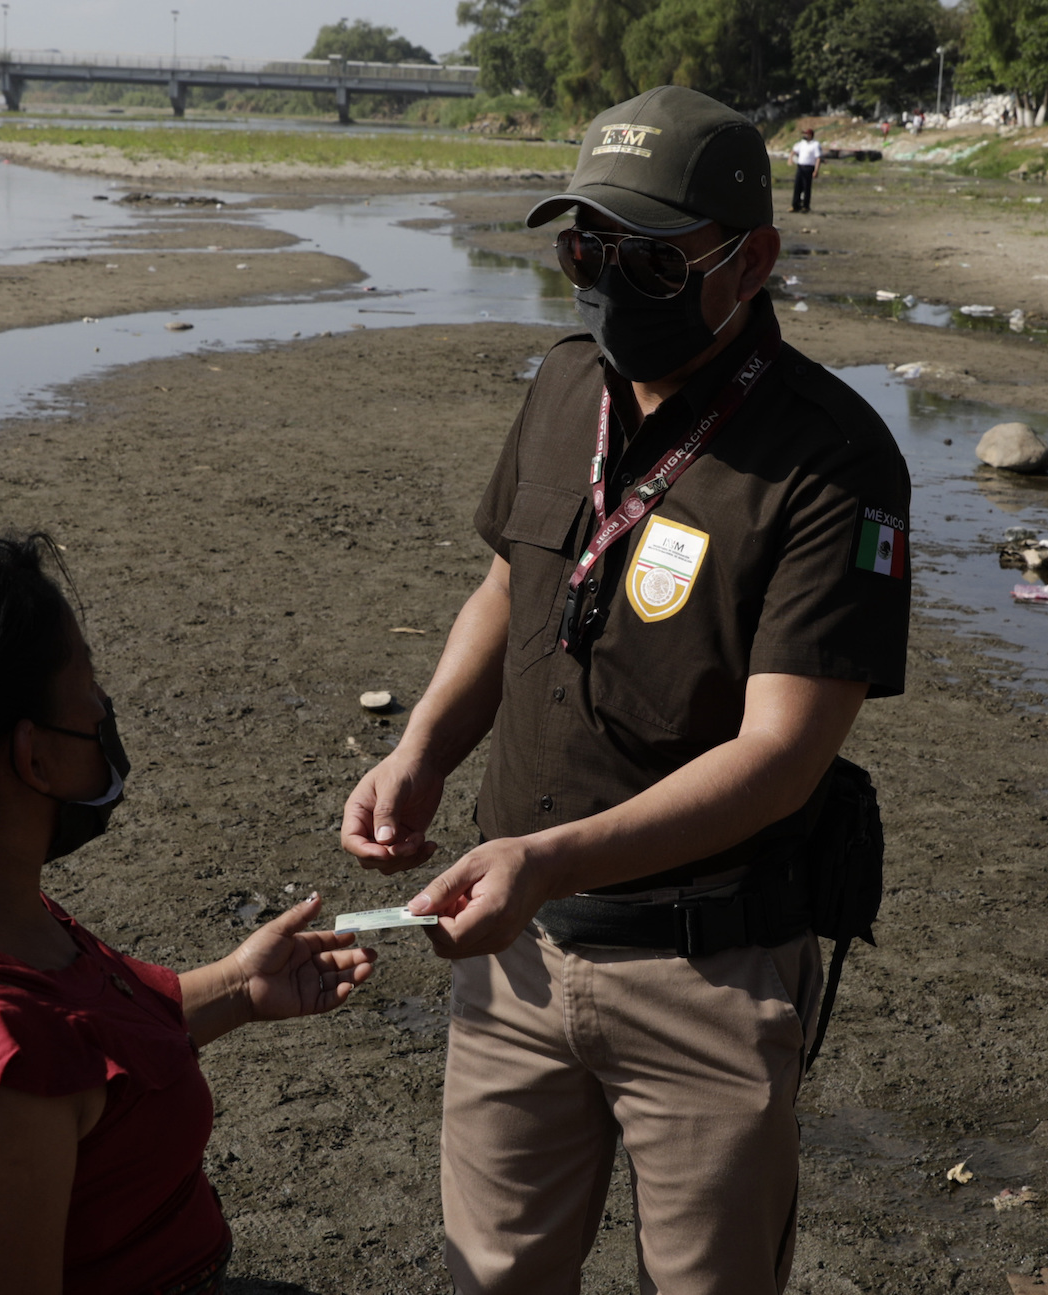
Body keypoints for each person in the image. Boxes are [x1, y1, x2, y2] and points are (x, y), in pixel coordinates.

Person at [341, 85, 909, 1293]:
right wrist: (426, 750)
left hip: (706, 970)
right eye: (581, 247)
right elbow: (508, 586)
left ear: (748, 259)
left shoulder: (829, 459)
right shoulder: (563, 386)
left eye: (646, 259)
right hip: (513, 952)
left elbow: (781, 756)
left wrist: (551, 856)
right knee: (488, 1272)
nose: (602, 282)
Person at [0, 534, 377, 1295]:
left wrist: (235, 988)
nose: (102, 708)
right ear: (34, 756)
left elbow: (67, 1056)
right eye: (87, 681)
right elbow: (4, 1067)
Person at [791, 126, 822, 214]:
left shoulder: (815, 144)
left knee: (806, 187)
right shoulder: (802, 143)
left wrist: (816, 170)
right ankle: (795, 205)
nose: (805, 135)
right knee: (797, 186)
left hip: (809, 168)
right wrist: (790, 158)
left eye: (806, 134)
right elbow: (794, 151)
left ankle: (805, 206)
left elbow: (818, 158)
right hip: (800, 167)